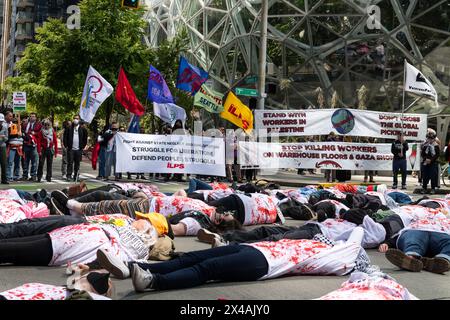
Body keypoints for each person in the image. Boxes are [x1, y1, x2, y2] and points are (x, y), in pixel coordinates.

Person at [95, 227, 367, 292]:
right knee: (192, 256)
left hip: (264, 265)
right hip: (256, 249)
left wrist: (351, 246)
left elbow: (358, 231)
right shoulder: (326, 245)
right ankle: (132, 267)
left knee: (206, 268)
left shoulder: (343, 256)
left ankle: (154, 281)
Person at [63, 115, 88, 181]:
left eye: (77, 118)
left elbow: (85, 139)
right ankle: (68, 175)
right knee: (70, 163)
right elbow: (65, 137)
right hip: (71, 149)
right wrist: (66, 146)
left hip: (78, 149)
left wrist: (82, 147)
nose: (75, 120)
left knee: (77, 163)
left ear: (79, 120)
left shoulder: (83, 129)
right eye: (74, 118)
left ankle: (76, 176)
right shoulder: (69, 128)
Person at [21, 112, 41, 181]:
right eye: (31, 116)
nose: (32, 117)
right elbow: (23, 132)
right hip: (26, 144)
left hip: (34, 145)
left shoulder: (38, 125)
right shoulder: (26, 124)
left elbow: (40, 133)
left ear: (36, 118)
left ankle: (33, 176)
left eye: (33, 116)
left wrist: (34, 133)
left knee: (34, 162)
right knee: (25, 161)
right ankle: (25, 175)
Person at [420, 128, 440, 194]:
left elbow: (437, 155)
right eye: (429, 138)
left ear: (434, 138)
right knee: (425, 176)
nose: (430, 140)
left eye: (431, 138)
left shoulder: (436, 145)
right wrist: (426, 159)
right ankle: (424, 188)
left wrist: (431, 160)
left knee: (433, 175)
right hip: (426, 162)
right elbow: (422, 154)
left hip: (433, 163)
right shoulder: (425, 145)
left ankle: (433, 188)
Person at [5, 111, 22, 182]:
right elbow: (9, 136)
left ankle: (16, 176)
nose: (14, 121)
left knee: (17, 163)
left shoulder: (20, 127)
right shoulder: (8, 126)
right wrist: (16, 135)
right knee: (10, 162)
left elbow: (23, 136)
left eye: (16, 121)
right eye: (13, 120)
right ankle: (9, 176)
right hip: (11, 147)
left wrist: (21, 134)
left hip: (19, 147)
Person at [0, 114, 8, 184]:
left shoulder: (5, 127)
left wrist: (3, 137)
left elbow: (7, 138)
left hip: (3, 146)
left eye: (1, 121)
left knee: (4, 163)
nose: (0, 122)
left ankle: (4, 179)